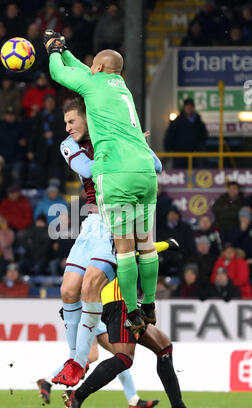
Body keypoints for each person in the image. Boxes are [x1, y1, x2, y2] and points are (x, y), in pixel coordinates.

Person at [43, 96, 178, 388]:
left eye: (71, 121)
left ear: (87, 118)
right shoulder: (69, 145)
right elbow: (90, 170)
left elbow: (155, 165)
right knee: (68, 290)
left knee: (91, 285)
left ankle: (79, 363)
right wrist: (124, 147)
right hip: (91, 222)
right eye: (65, 122)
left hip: (116, 220)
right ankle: (72, 360)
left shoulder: (111, 136)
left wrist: (135, 144)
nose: (67, 128)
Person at [44, 32, 161, 345]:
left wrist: (54, 51)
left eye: (91, 66)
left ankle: (134, 312)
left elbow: (59, 73)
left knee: (124, 250)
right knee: (145, 244)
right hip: (146, 171)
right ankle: (150, 303)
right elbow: (84, 72)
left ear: (97, 68)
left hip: (117, 172)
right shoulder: (121, 87)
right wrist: (67, 49)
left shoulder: (92, 84)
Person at [62, 277, 210, 408]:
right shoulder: (118, 252)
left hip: (128, 300)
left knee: (163, 346)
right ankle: (77, 396)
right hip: (119, 302)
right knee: (124, 358)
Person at [38, 305, 160, 408]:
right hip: (94, 314)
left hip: (92, 313)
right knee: (121, 356)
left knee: (109, 357)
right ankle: (134, 400)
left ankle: (48, 380)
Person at [164, 98, 208, 168]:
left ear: (193, 108)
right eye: (187, 107)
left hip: (194, 155)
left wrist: (199, 149)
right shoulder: (177, 122)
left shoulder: (198, 122)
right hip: (180, 155)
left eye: (191, 107)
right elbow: (169, 136)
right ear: (184, 108)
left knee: (194, 175)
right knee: (180, 175)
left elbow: (203, 136)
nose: (189, 109)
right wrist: (170, 150)